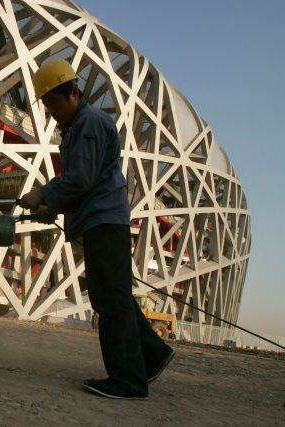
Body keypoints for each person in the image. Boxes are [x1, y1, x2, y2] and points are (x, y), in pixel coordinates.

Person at [20, 58, 175, 400]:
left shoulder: (88, 122)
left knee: (109, 299)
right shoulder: (79, 125)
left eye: (53, 102)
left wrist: (43, 193)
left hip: (104, 221)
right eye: (45, 104)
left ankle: (127, 381)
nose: (50, 111)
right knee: (117, 294)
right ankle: (152, 356)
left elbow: (80, 179)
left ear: (73, 93)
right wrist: (53, 208)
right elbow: (85, 185)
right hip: (102, 218)